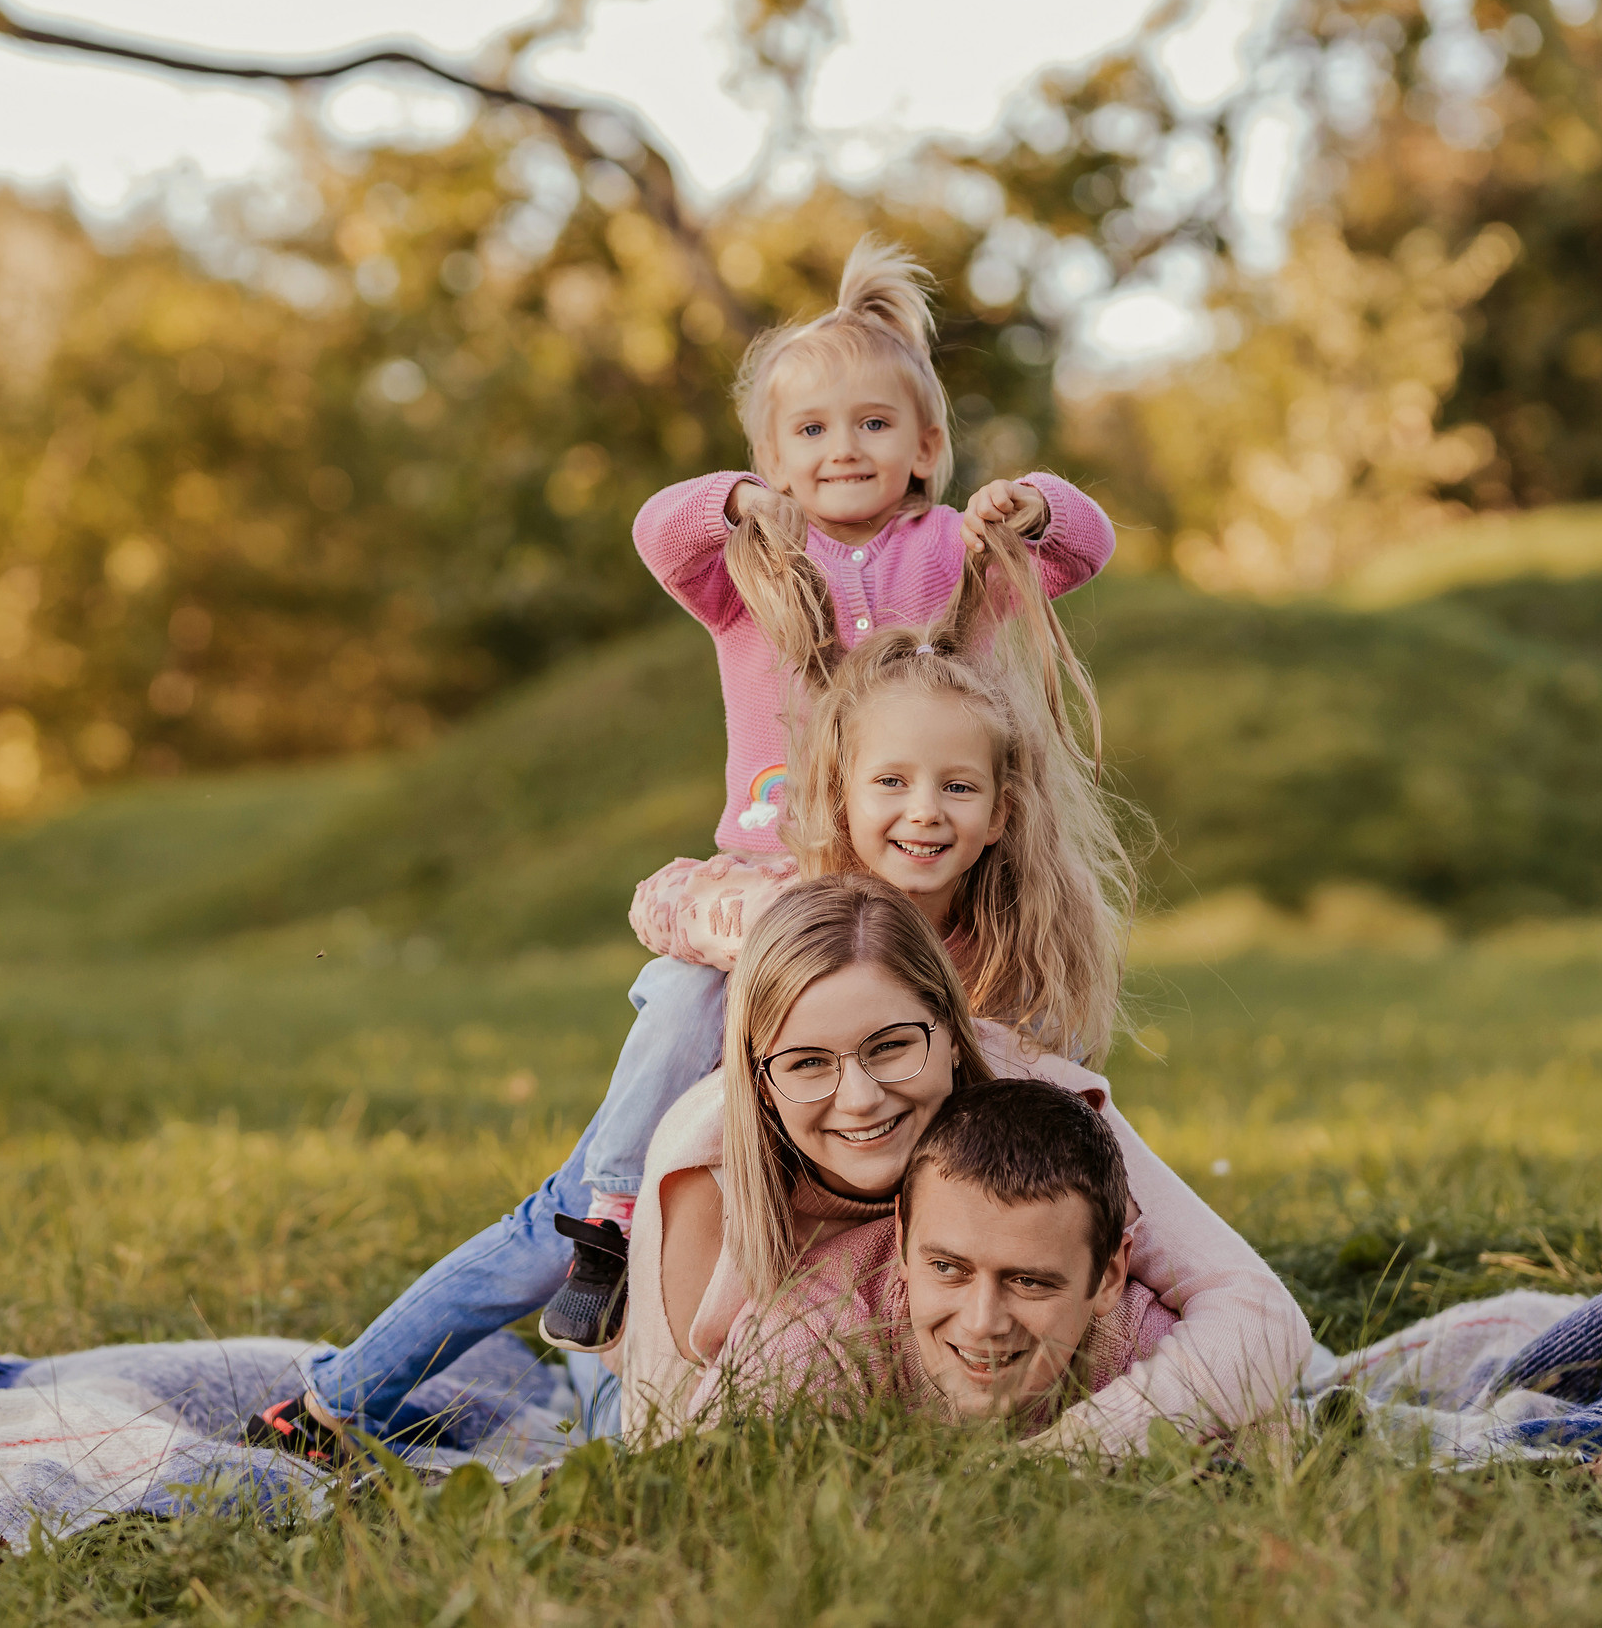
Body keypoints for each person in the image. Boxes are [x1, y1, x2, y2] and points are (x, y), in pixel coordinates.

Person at [250, 239, 1115, 1459]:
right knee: (628, 1093)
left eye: (875, 424)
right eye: (808, 434)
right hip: (764, 896)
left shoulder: (952, 566)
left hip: (875, 929)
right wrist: (731, 506)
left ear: (927, 446)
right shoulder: (756, 571)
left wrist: (1033, 504)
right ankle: (447, 1327)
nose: (844, 450)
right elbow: (664, 534)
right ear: (773, 462)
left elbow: (1081, 549)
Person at [611, 877, 1312, 1458]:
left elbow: (1256, 1312)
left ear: (955, 1032)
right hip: (740, 1374)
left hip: (1005, 1369)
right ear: (760, 1078)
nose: (859, 1099)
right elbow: (667, 1446)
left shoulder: (1032, 1097)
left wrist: (1069, 1454)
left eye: (889, 1046)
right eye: (807, 1063)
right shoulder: (706, 1169)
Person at [693, 1077, 1169, 1437]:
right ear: (902, 1237)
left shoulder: (1146, 1346)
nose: (983, 1323)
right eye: (946, 1268)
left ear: (1108, 1277)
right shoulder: (813, 1338)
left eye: (1029, 1281)